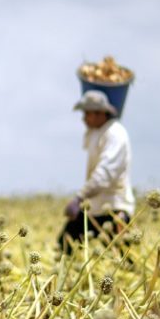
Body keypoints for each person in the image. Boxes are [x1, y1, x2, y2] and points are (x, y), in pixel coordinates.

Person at [58, 90, 134, 254]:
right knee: (65, 245)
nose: (84, 118)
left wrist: (79, 198)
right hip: (94, 207)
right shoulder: (95, 133)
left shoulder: (115, 134)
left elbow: (104, 174)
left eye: (88, 113)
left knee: (120, 258)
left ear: (101, 113)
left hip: (114, 208)